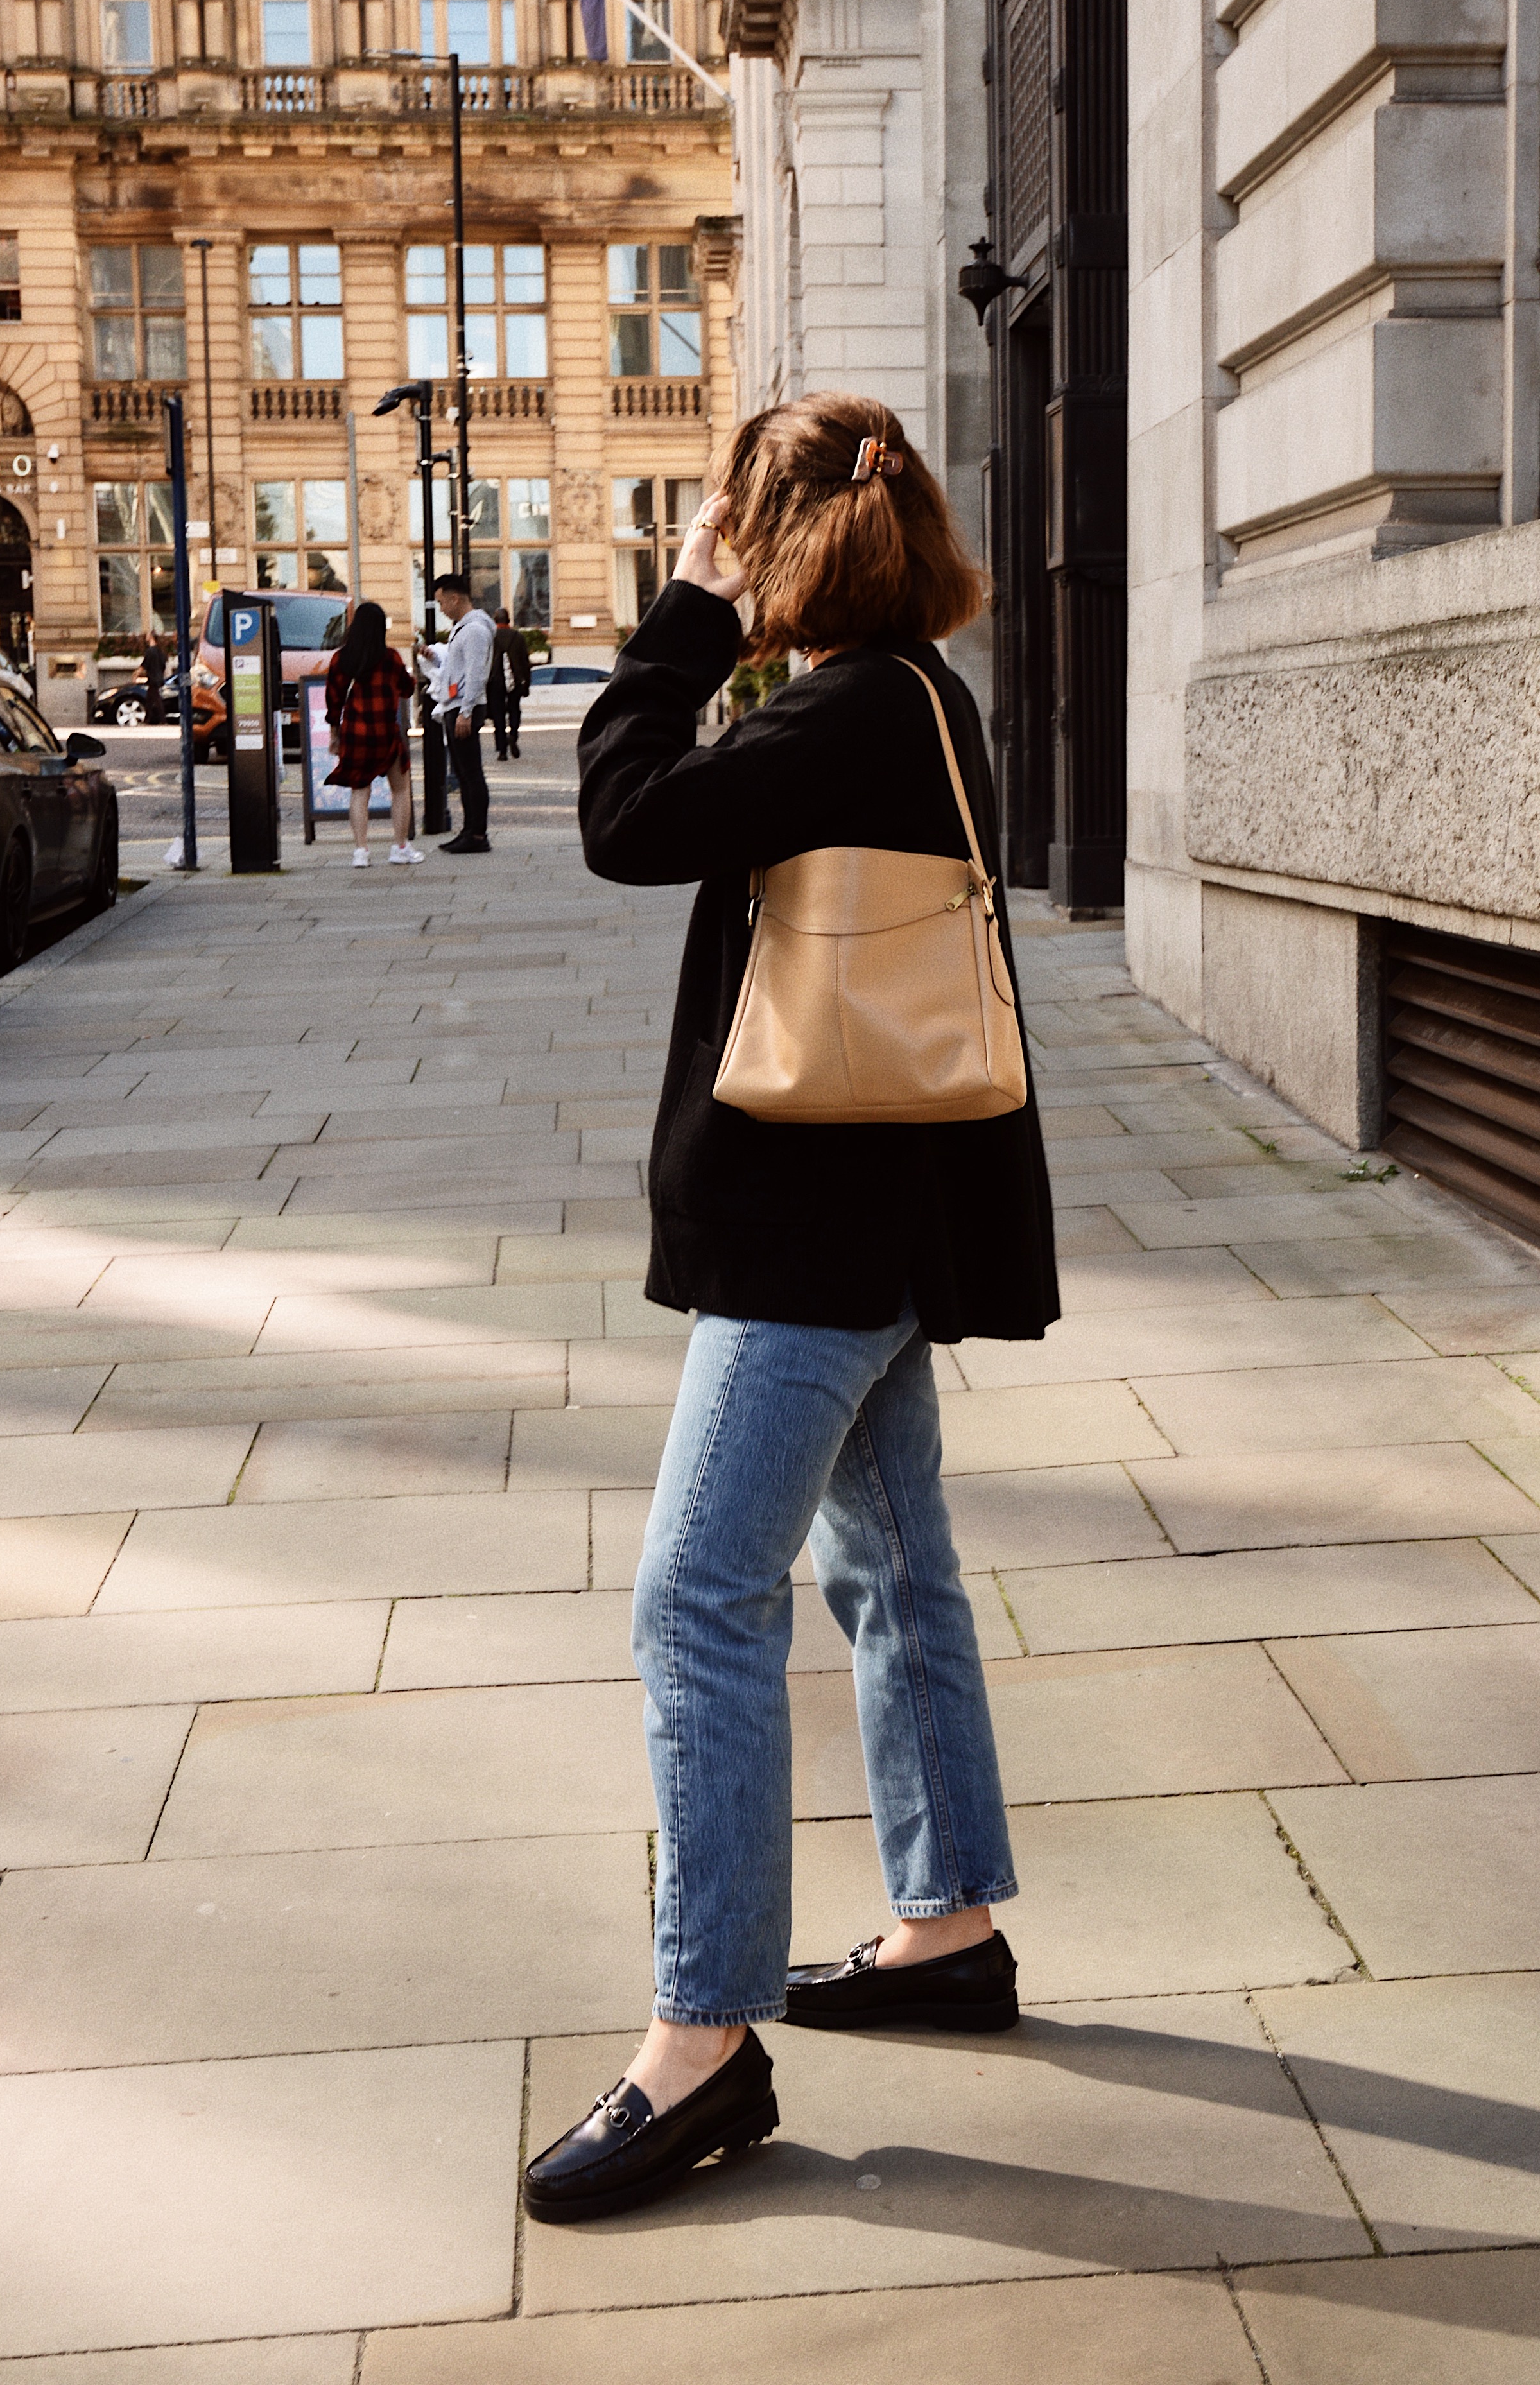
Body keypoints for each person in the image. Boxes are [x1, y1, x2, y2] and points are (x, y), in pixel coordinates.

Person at [523, 394, 1058, 2225]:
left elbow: (622, 817)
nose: (716, 556)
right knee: (890, 1569)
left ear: (773, 538)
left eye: (728, 529)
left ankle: (701, 2042)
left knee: (694, 1602)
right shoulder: (918, 696)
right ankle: (947, 1924)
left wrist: (678, 620)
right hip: (890, 1217)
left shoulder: (839, 714)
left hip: (812, 1234)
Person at [324, 600, 423, 869]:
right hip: (386, 733)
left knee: (359, 791)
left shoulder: (341, 659)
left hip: (356, 733)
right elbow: (407, 689)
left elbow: (333, 701)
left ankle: (361, 852)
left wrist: (335, 735)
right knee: (401, 789)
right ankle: (400, 847)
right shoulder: (390, 657)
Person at [422, 573, 494, 853]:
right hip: (458, 704)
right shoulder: (463, 629)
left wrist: (466, 711)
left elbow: (476, 674)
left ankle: (477, 834)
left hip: (464, 706)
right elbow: (459, 666)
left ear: (455, 598)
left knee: (471, 773)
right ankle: (470, 830)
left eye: (441, 602)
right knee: (465, 774)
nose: (441, 608)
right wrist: (436, 657)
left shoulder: (474, 630)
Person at [491, 607, 531, 759]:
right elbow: (525, 663)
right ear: (508, 620)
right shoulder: (518, 637)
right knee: (515, 710)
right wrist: (526, 683)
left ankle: (502, 751)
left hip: (496, 681)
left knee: (498, 715)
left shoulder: (491, 637)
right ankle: (513, 735)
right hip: (515, 680)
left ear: (496, 620)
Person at [141, 631, 167, 725]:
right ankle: (147, 719)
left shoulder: (150, 651)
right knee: (150, 699)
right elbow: (163, 665)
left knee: (156, 699)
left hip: (152, 678)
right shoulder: (160, 651)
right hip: (159, 678)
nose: (146, 637)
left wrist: (136, 674)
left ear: (151, 637)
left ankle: (163, 720)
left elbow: (144, 665)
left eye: (147, 635)